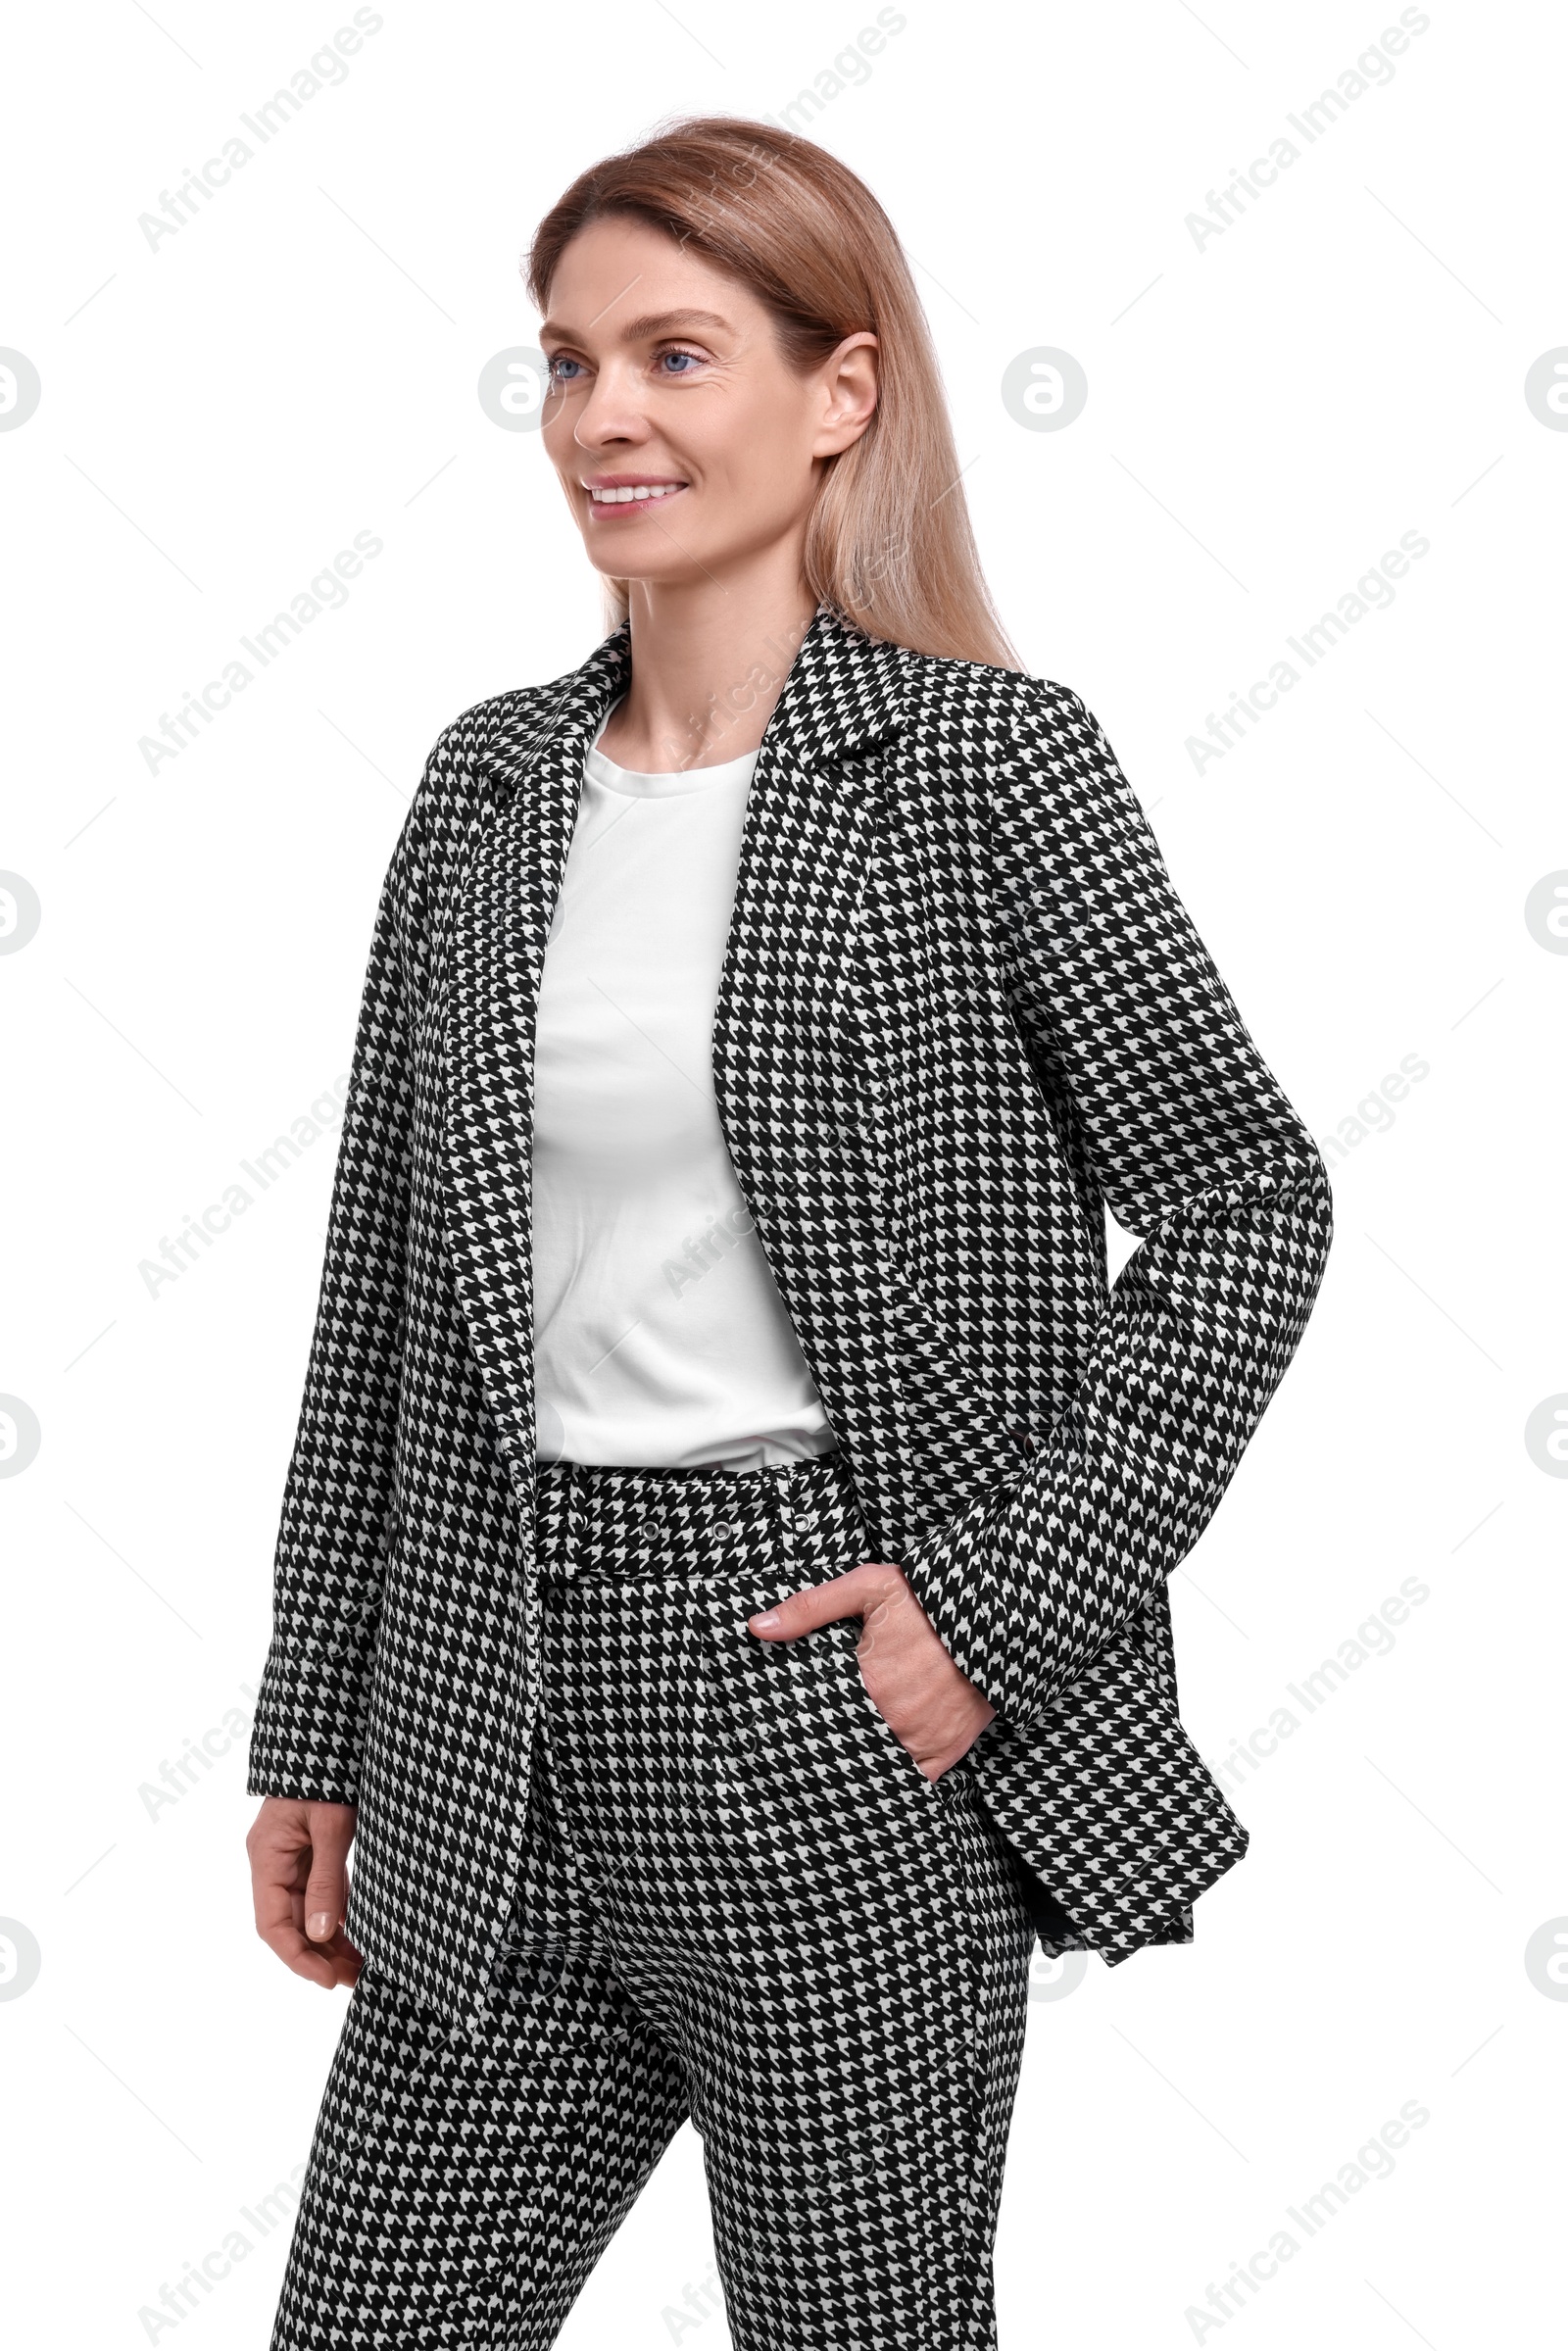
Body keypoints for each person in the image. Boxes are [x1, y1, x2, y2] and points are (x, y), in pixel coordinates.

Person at [244, 113, 1333, 2351]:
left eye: (674, 353)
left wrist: (987, 1616)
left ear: (838, 393)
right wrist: (311, 1721)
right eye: (565, 364)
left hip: (822, 1711)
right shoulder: (483, 788)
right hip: (487, 1714)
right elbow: (380, 1298)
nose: (605, 419)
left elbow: (1244, 1203)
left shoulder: (979, 768)